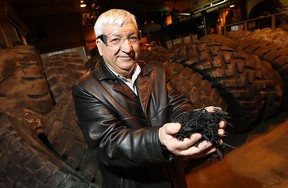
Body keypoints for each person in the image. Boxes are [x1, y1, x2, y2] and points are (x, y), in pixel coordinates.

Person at [72, 9, 226, 188]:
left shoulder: (157, 72)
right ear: (100, 45)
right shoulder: (87, 88)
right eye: (116, 40)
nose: (127, 48)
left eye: (132, 38)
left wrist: (195, 120)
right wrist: (158, 139)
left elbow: (177, 104)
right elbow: (108, 143)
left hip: (171, 176)